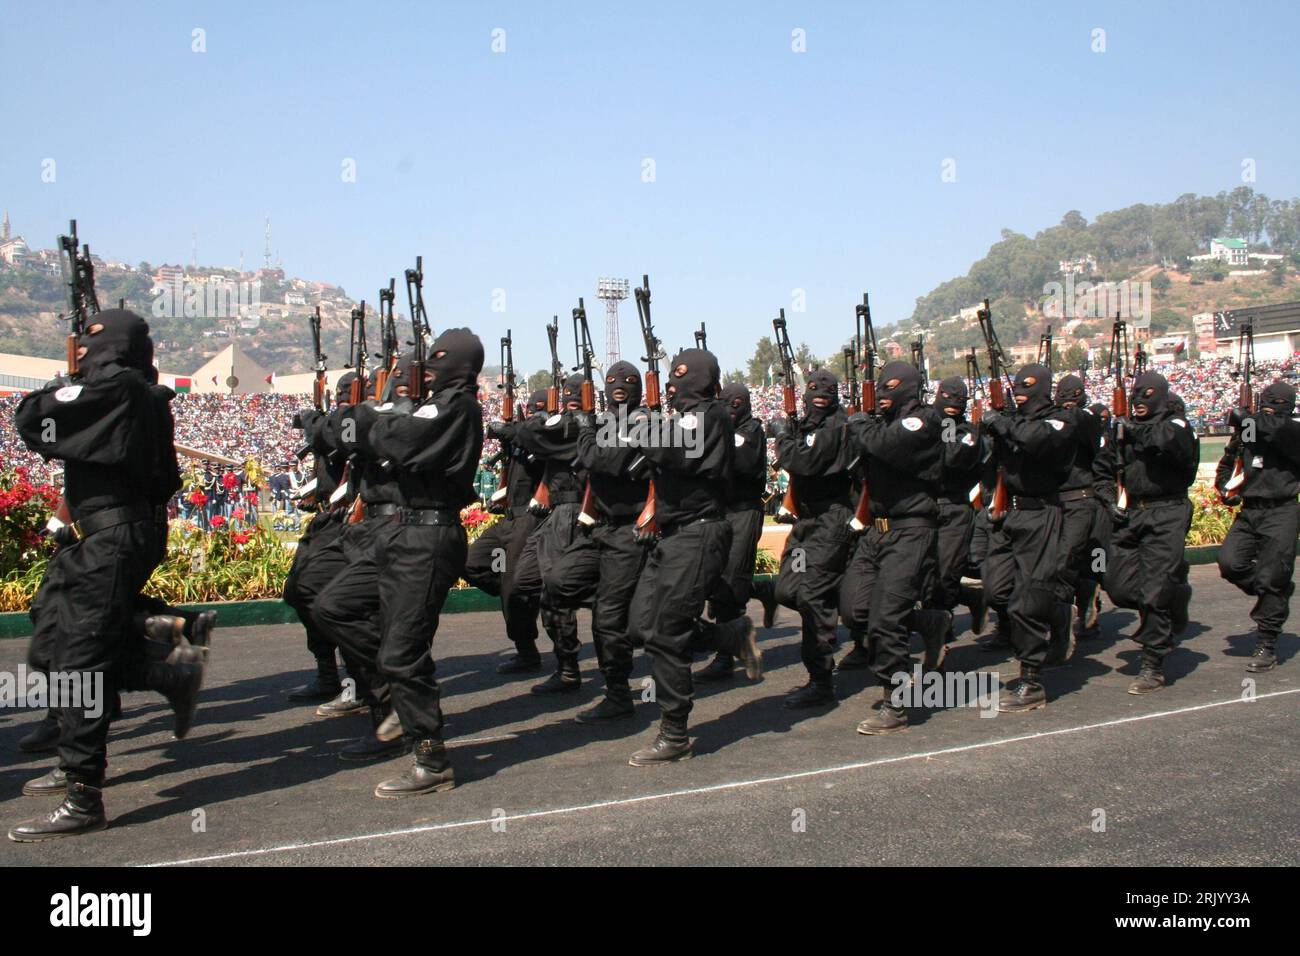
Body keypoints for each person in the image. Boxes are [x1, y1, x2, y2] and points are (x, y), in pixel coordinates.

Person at [9, 309, 205, 841]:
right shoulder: (132, 389)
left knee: (80, 657)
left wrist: (68, 380)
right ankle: (169, 655)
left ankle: (83, 792)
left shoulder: (117, 389)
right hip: (105, 534)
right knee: (52, 634)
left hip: (114, 535)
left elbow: (32, 418)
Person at [363, 329, 484, 797]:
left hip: (428, 537)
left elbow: (399, 442)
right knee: (369, 626)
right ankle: (402, 715)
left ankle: (431, 758)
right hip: (403, 533)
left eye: (438, 362)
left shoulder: (456, 406)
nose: (428, 369)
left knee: (403, 650)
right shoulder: (431, 404)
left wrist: (379, 415)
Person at [626, 348, 760, 764]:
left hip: (699, 533)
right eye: (672, 377)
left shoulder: (711, 414)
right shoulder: (680, 418)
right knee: (641, 623)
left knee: (666, 632)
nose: (673, 384)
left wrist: (644, 429)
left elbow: (677, 452)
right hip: (671, 535)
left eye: (682, 377)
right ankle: (728, 635)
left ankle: (675, 731)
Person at [843, 361, 944, 733]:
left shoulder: (925, 420)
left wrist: (860, 424)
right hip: (878, 529)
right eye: (880, 388)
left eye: (891, 387)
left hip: (912, 527)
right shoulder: (880, 423)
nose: (884, 394)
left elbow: (885, 444)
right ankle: (926, 622)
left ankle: (895, 701)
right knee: (854, 608)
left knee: (886, 618)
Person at [1093, 370, 1197, 694]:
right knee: (1118, 586)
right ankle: (1172, 596)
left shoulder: (1176, 424)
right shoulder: (1122, 430)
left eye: (1146, 394)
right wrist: (1110, 501)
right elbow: (1102, 470)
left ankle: (1152, 662)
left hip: (1167, 510)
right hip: (1132, 514)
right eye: (1135, 394)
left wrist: (1132, 430)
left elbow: (1166, 442)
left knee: (1153, 591)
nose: (1139, 400)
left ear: (1162, 396)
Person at [981, 363, 1076, 712]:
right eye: (1017, 385)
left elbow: (1037, 440)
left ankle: (1032, 678)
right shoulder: (1012, 419)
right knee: (997, 590)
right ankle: (1056, 611)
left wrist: (1002, 423)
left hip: (1041, 512)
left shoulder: (1061, 419)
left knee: (1027, 599)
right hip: (1008, 513)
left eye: (1028, 386)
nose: (1019, 390)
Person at [760, 368, 854, 708]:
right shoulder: (812, 425)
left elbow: (804, 460)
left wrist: (784, 436)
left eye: (825, 392)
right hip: (807, 522)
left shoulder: (835, 426)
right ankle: (852, 610)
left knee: (812, 597)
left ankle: (821, 680)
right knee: (789, 589)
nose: (818, 396)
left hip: (831, 520)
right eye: (812, 390)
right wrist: (793, 429)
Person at [281, 372, 369, 716]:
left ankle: (359, 684)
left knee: (336, 600)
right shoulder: (338, 420)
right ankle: (327, 672)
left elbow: (340, 441)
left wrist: (314, 422)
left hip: (351, 522)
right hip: (326, 518)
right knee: (299, 590)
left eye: (344, 396)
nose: (340, 401)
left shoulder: (359, 422)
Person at [507, 375, 591, 695]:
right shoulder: (560, 425)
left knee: (554, 593)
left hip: (571, 513)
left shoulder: (585, 426)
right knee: (522, 582)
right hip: (551, 513)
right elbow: (529, 436)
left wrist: (547, 419)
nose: (570, 399)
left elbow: (530, 436)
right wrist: (547, 416)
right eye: (566, 395)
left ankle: (567, 667)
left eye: (576, 396)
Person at [463, 389, 550, 674]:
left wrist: (511, 430)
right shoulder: (519, 436)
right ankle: (523, 592)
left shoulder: (545, 434)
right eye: (534, 409)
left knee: (514, 587)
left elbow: (536, 437)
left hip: (529, 518)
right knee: (472, 563)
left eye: (541, 409)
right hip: (509, 518)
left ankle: (527, 650)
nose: (537, 414)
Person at [1215, 379, 1299, 672]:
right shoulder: (1251, 429)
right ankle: (1271, 590)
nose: (1268, 412)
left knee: (1272, 576)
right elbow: (1230, 461)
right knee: (1230, 563)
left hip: (1281, 511)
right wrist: (1225, 488)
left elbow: (1277, 430)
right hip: (1251, 511)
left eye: (1273, 407)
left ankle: (1267, 642)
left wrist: (1250, 418)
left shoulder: (1292, 429)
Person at [695, 382, 768, 682]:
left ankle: (726, 655)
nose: (728, 409)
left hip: (743, 511)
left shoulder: (750, 432)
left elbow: (739, 464)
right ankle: (765, 590)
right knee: (715, 577)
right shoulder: (726, 431)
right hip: (721, 512)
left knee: (731, 579)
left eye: (732, 404)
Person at [927, 376, 983, 655]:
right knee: (923, 574)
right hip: (925, 507)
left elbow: (950, 455)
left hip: (955, 507)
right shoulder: (926, 422)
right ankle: (965, 598)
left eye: (958, 399)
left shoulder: (969, 432)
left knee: (945, 574)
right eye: (947, 397)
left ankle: (941, 624)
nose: (951, 404)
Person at [1052, 374, 1104, 654]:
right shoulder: (1054, 420)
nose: (1068, 399)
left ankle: (1082, 607)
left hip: (1084, 499)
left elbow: (1084, 427)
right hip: (1055, 501)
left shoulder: (1088, 419)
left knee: (1073, 563)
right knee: (1059, 566)